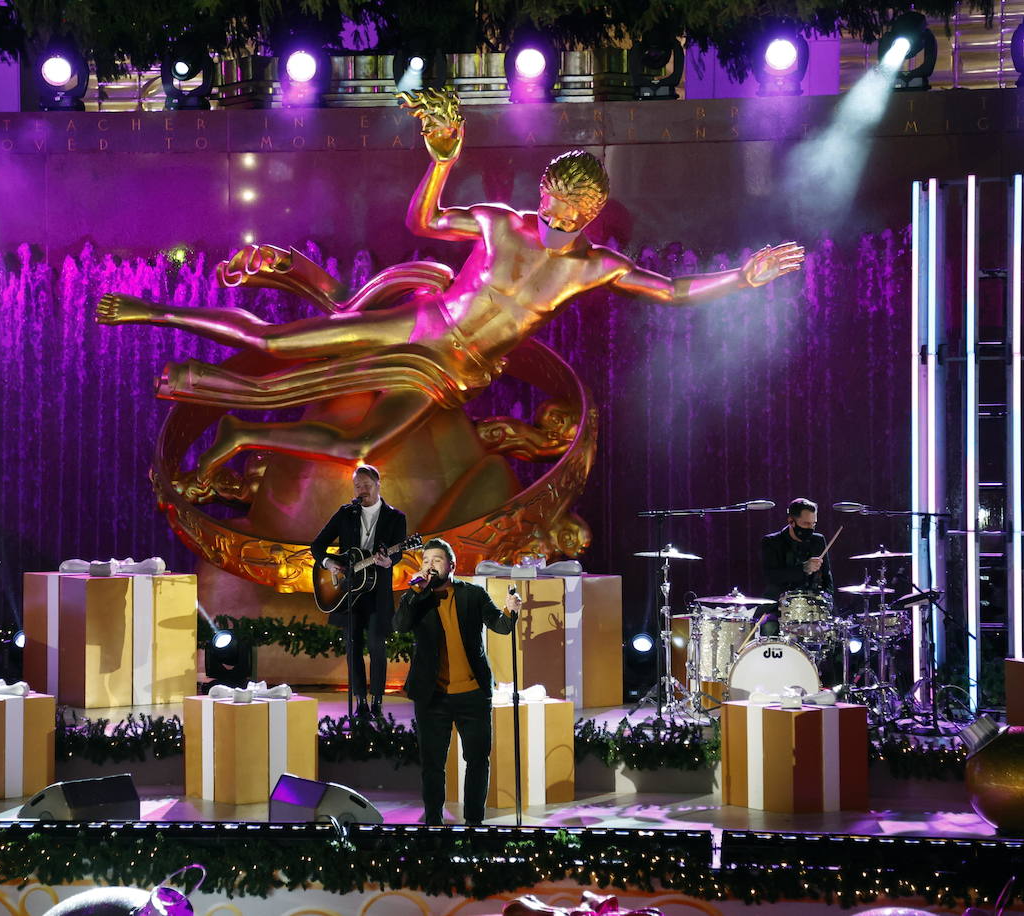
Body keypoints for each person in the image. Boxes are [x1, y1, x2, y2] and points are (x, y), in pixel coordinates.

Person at [95, 88, 804, 496]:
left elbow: (676, 291)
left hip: (454, 374)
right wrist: (441, 162)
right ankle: (150, 309)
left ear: (589, 212)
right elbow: (424, 221)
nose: (552, 209)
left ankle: (246, 432)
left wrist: (742, 278)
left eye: (567, 205)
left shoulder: (595, 266)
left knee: (364, 446)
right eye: (550, 194)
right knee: (271, 341)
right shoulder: (501, 222)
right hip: (419, 326)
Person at [394, 537, 522, 826]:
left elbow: (500, 627)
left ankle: (474, 825)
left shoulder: (473, 595)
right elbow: (400, 625)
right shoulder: (414, 598)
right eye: (425, 561)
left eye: (436, 560)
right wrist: (416, 592)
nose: (429, 566)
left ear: (451, 565)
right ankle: (434, 825)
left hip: (473, 694)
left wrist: (511, 611)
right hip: (432, 695)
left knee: (477, 760)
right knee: (433, 765)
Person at [311, 464, 407, 718]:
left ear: (378, 485)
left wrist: (390, 561)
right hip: (348, 593)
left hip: (377, 593)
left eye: (366, 485)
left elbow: (398, 555)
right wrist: (329, 562)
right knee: (352, 645)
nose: (361, 490)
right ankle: (359, 701)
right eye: (357, 486)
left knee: (377, 645)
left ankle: (376, 700)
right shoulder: (346, 513)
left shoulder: (396, 517)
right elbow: (318, 545)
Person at [760, 497, 834, 634]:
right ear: (791, 521)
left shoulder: (818, 540)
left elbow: (827, 577)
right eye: (806, 524)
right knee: (768, 628)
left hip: (812, 607)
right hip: (779, 608)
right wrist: (803, 569)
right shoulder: (771, 542)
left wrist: (828, 603)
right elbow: (772, 576)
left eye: (814, 524)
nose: (810, 528)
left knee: (836, 635)